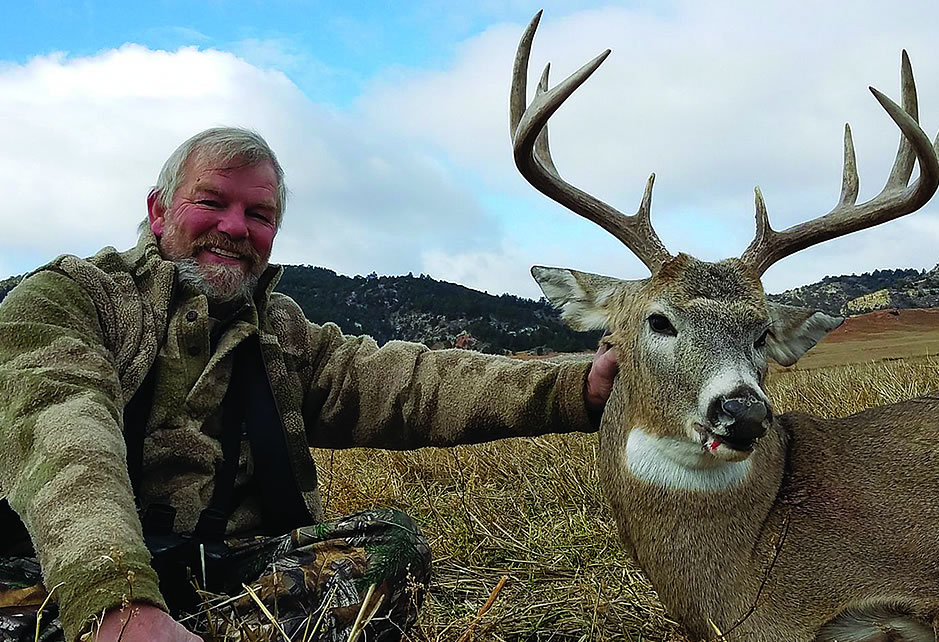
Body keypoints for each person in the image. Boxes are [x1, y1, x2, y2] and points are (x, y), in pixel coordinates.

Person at [0, 128, 618, 642]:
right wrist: (116, 601)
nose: (235, 228)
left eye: (259, 214)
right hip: (62, 574)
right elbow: (63, 437)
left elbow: (411, 385)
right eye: (211, 202)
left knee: (388, 550)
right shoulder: (67, 300)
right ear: (159, 210)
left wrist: (579, 387)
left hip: (226, 574)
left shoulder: (282, 335)